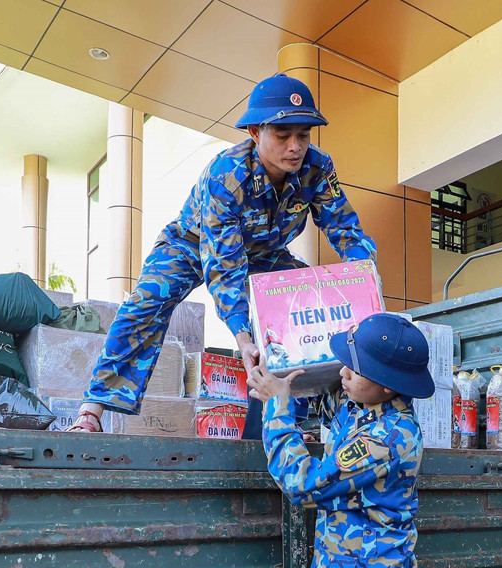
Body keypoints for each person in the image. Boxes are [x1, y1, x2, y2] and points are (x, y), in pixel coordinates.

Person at [69, 73, 377, 432]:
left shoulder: (318, 167)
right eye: (282, 135)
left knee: (304, 299)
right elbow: (223, 264)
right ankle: (92, 410)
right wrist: (243, 337)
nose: (295, 146)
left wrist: (366, 291)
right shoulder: (226, 175)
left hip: (264, 251)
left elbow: (345, 228)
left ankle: (294, 416)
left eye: (303, 135)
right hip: (192, 242)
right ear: (254, 133)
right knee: (146, 302)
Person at [248, 313, 434, 568]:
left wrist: (277, 409)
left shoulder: (388, 438)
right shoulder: (361, 403)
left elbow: (302, 485)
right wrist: (271, 357)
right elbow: (321, 397)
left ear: (387, 383)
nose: (343, 373)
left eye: (355, 368)